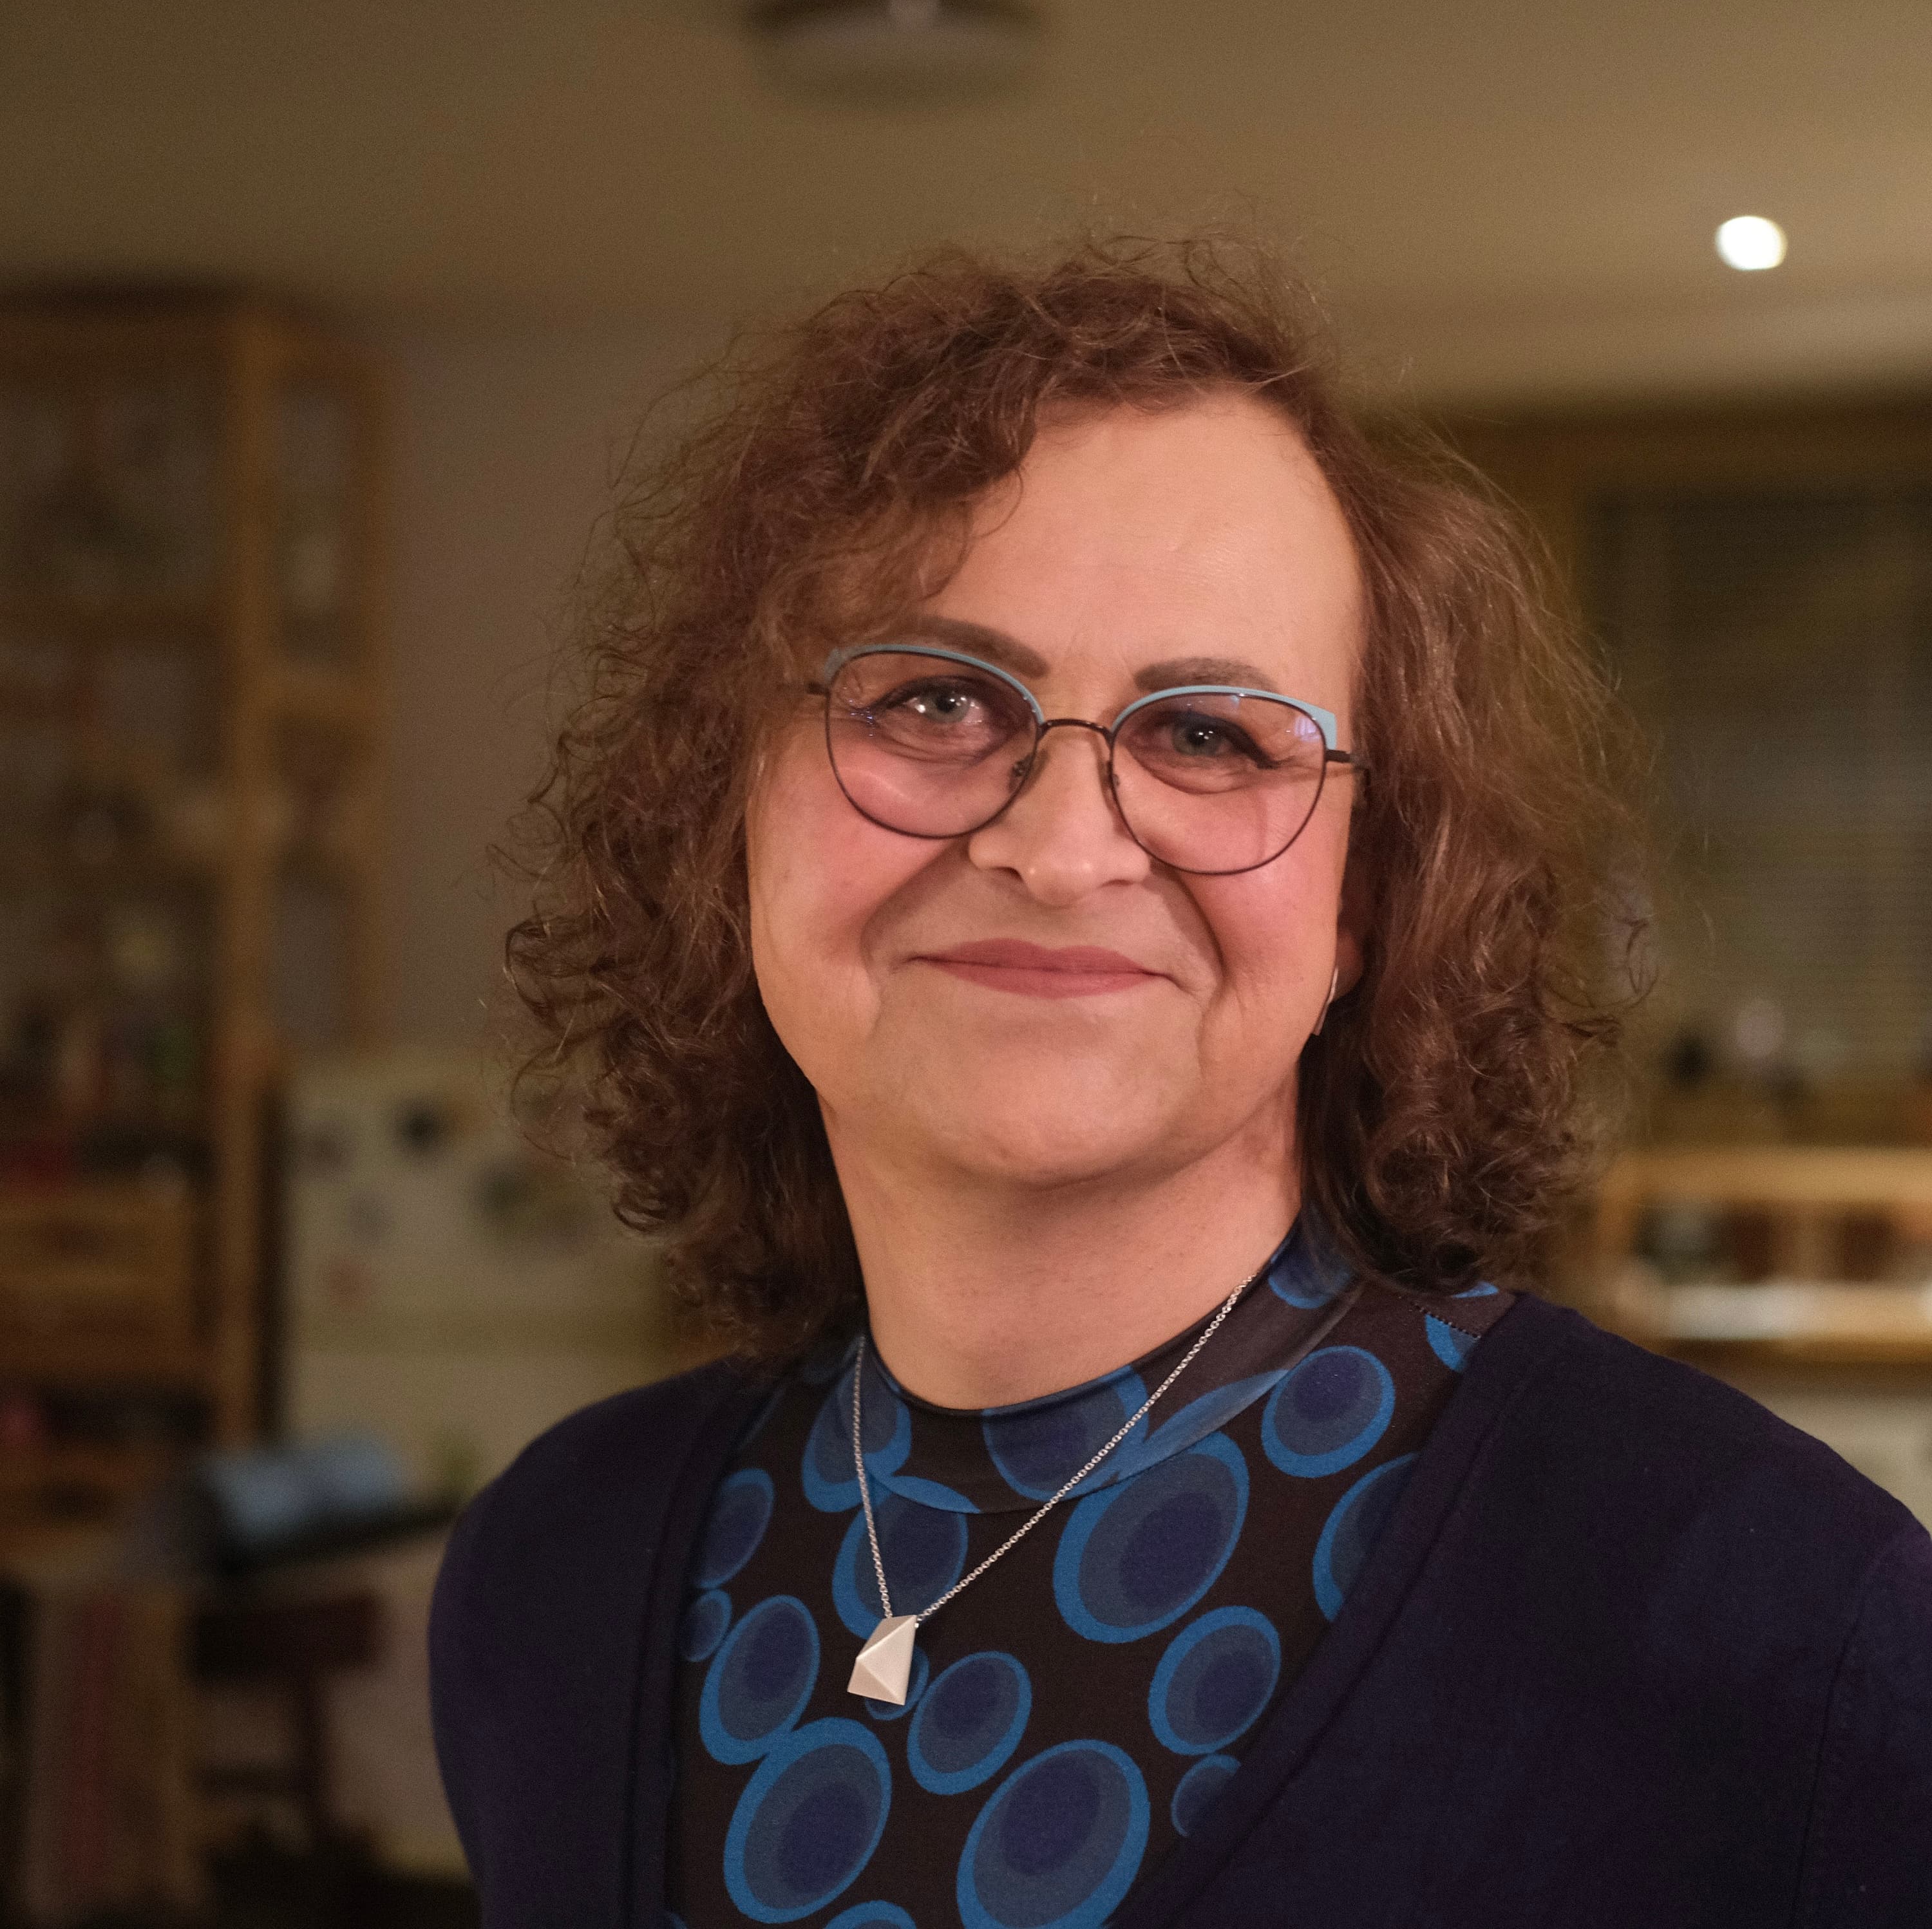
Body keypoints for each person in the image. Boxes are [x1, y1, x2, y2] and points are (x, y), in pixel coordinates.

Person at [430, 240, 1932, 1928]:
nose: (1063, 849)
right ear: (729, 813)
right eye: (934, 699)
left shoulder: (1786, 1633)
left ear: (1369, 898)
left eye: (1211, 736)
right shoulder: (550, 1579)